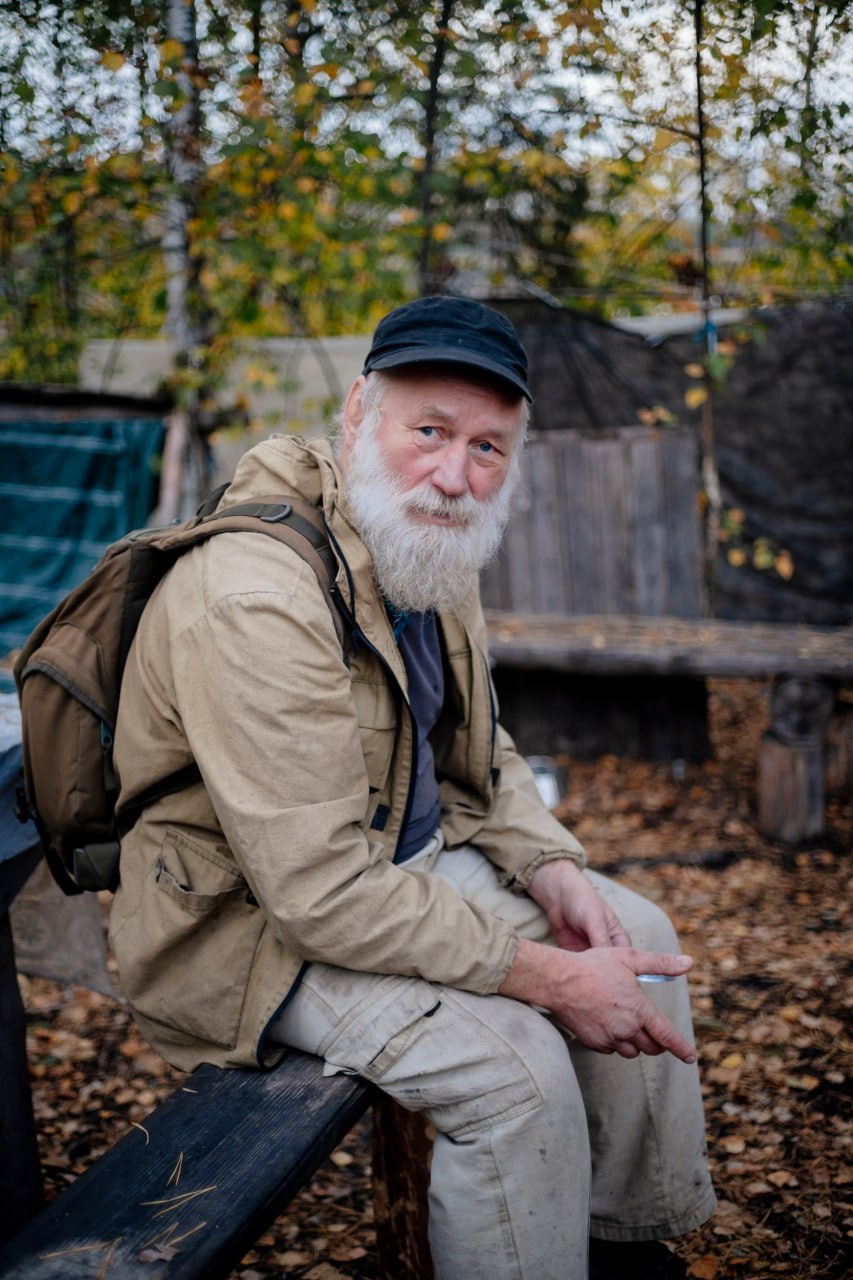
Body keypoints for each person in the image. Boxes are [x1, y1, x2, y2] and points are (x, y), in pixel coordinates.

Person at [111, 297, 716, 1280]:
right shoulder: (257, 595)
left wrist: (551, 865)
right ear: (357, 413)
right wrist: (547, 977)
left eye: (488, 447)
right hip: (250, 926)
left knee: (629, 939)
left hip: (403, 861)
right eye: (428, 431)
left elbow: (481, 745)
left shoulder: (426, 544)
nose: (453, 474)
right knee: (516, 1072)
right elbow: (319, 893)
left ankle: (627, 1250)